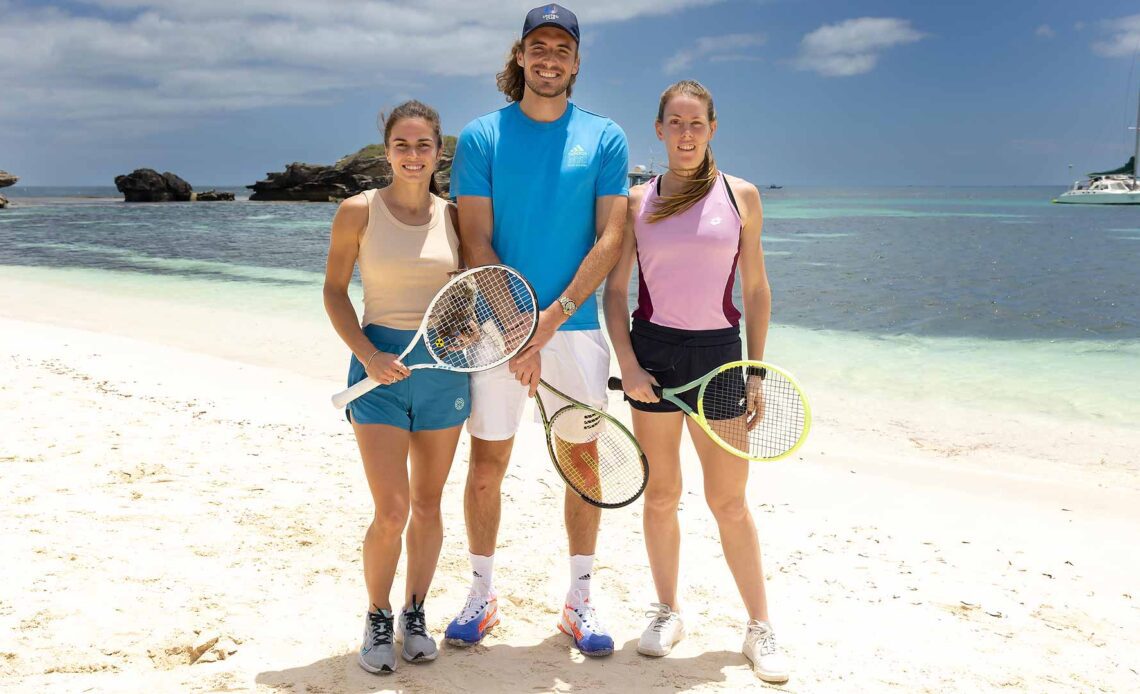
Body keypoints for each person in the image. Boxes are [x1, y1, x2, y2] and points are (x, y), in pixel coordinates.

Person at [444, 3, 630, 657]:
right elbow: (475, 236)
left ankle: (579, 598)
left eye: (562, 49)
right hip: (497, 328)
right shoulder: (481, 136)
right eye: (538, 46)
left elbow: (612, 236)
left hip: (574, 328)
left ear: (575, 63)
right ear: (520, 56)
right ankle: (481, 591)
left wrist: (549, 320)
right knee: (488, 464)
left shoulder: (605, 137)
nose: (549, 58)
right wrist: (518, 327)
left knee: (583, 466)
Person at [601, 80, 790, 683]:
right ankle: (666, 610)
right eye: (675, 124)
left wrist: (754, 369)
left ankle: (760, 626)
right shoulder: (637, 201)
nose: (686, 135)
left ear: (712, 129)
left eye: (696, 124)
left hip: (720, 361)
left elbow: (756, 291)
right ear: (658, 130)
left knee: (728, 501)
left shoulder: (742, 197)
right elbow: (615, 294)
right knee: (660, 495)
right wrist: (628, 365)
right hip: (653, 354)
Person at [323, 100, 467, 674]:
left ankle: (414, 612)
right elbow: (334, 292)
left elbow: (467, 295)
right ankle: (377, 615)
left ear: (438, 153)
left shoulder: (454, 217)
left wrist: (470, 328)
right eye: (402, 146)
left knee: (429, 507)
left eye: (423, 145)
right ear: (387, 152)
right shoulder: (356, 211)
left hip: (443, 371)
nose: (412, 155)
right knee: (392, 510)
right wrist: (368, 354)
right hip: (377, 370)